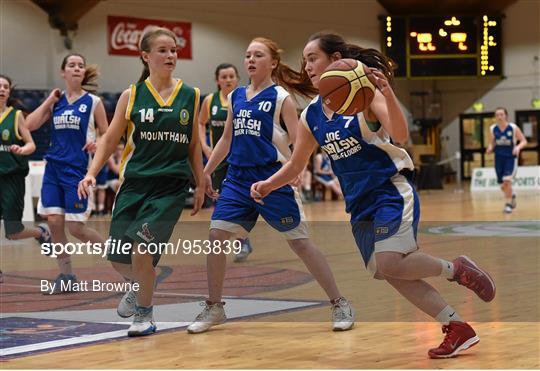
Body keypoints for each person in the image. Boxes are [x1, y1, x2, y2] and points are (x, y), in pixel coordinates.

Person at [250, 31, 496, 359]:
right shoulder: (310, 114)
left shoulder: (365, 95)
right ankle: (456, 326)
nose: (307, 65)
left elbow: (400, 133)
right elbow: (297, 163)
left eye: (313, 58)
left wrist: (388, 94)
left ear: (336, 61)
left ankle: (456, 269)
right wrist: (269, 183)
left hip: (390, 188)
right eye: (305, 59)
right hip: (358, 201)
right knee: (388, 271)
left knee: (391, 260)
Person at [187, 37, 354, 335]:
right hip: (238, 179)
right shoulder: (236, 96)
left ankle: (339, 301)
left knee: (300, 243)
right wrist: (206, 173)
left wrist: (293, 166)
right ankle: (214, 306)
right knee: (216, 235)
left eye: (258, 55)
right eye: (247, 55)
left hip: (271, 177)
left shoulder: (281, 97)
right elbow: (226, 140)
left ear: (273, 62)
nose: (250, 59)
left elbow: (299, 136)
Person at [78, 27, 205, 337]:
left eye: (174, 50)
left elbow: (192, 145)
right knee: (117, 255)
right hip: (134, 184)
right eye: (163, 50)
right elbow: (109, 139)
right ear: (146, 56)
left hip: (169, 188)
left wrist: (201, 183)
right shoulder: (131, 95)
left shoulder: (191, 95)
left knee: (140, 249)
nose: (171, 55)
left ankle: (145, 316)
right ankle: (141, 283)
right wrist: (91, 172)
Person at [25, 55, 108, 293]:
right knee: (54, 223)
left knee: (76, 228)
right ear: (63, 72)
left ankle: (120, 256)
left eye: (80, 65)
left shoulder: (93, 102)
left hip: (77, 171)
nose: (76, 68)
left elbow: (107, 133)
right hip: (53, 168)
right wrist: (49, 101)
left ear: (83, 73)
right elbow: (29, 125)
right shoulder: (56, 101)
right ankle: (66, 274)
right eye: (71, 65)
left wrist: (97, 143)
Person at [198, 63, 254, 262]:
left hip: (240, 158)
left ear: (237, 78)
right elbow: (200, 122)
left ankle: (242, 240)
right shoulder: (209, 101)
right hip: (219, 159)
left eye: (231, 76)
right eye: (224, 76)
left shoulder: (244, 97)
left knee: (241, 201)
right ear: (217, 80)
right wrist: (205, 146)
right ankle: (236, 238)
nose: (228, 80)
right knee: (220, 199)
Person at [0, 74, 52, 282]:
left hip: (12, 178)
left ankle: (40, 232)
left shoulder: (16, 116)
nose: (2, 89)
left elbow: (31, 144)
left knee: (13, 233)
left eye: (5, 87)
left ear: (9, 92)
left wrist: (22, 149)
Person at [486, 107, 527, 213]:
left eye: (501, 114)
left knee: (507, 181)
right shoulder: (492, 128)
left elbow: (523, 141)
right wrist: (490, 148)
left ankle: (508, 204)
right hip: (498, 158)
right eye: (497, 115)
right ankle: (512, 195)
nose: (499, 117)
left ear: (506, 116)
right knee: (503, 185)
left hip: (510, 158)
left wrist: (517, 147)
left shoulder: (513, 128)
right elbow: (492, 142)